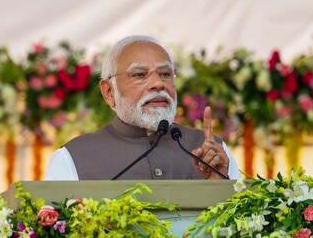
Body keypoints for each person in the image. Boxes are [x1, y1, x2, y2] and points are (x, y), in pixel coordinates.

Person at [44, 35, 240, 180]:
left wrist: (222, 188)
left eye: (165, 73)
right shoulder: (73, 158)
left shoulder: (213, 152)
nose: (158, 84)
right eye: (139, 74)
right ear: (108, 92)